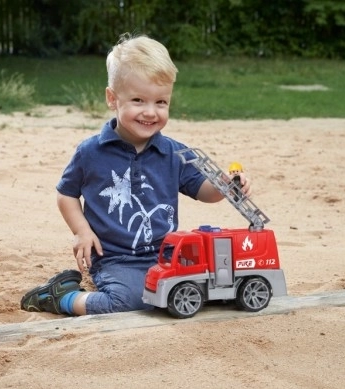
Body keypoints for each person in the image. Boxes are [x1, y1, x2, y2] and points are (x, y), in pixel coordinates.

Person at [20, 33, 251, 316]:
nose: (150, 112)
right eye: (139, 100)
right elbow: (66, 194)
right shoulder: (91, 152)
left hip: (167, 254)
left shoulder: (174, 153)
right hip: (115, 258)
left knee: (202, 290)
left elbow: (204, 191)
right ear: (112, 98)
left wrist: (225, 186)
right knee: (130, 303)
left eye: (161, 102)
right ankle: (62, 298)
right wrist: (82, 231)